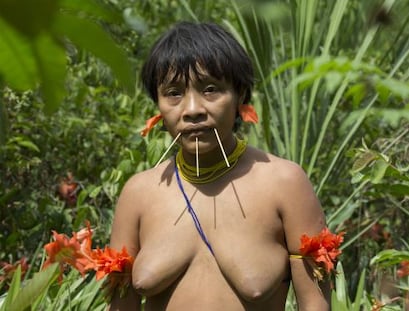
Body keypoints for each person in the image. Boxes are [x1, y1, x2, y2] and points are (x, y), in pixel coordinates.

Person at [109, 21, 331, 310]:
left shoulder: (285, 183)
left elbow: (316, 305)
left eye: (211, 89)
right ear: (158, 105)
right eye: (174, 93)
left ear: (240, 95)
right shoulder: (138, 194)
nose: (192, 110)